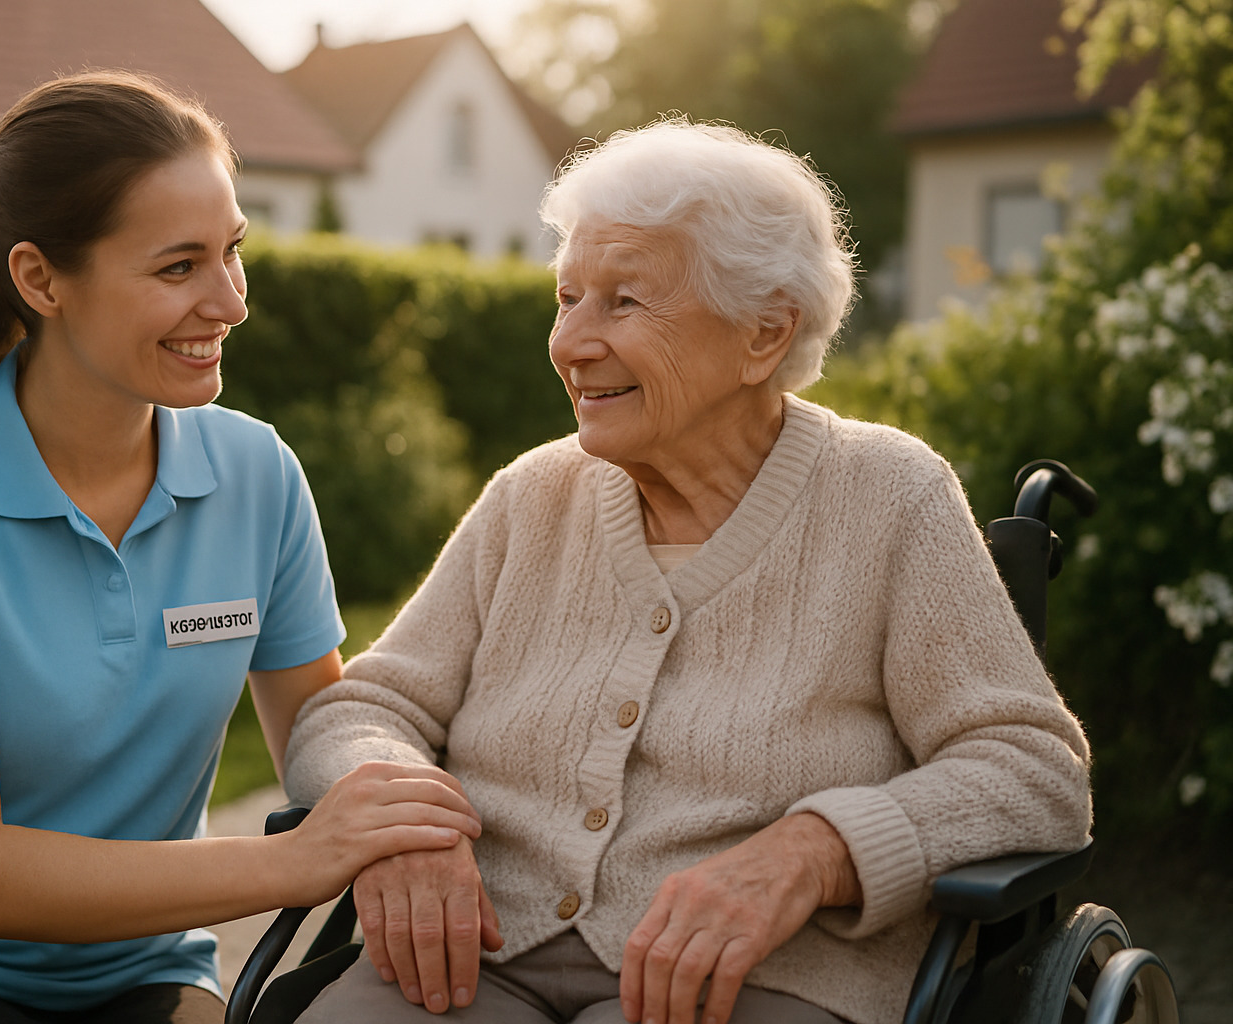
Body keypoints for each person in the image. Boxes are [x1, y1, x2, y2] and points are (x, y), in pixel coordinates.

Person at [281, 117, 1092, 1024]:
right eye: (568, 297)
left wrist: (812, 852)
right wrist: (399, 820)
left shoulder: (888, 497)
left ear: (763, 334)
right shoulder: (531, 497)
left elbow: (1032, 770)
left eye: (623, 302)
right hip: (474, 963)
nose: (571, 342)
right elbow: (358, 711)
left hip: (756, 982)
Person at [0, 70, 483, 1024]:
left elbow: (318, 735)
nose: (230, 302)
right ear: (40, 278)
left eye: (232, 254)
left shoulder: (257, 473)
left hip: (141, 974)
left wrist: (403, 829)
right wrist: (291, 860)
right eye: (178, 268)